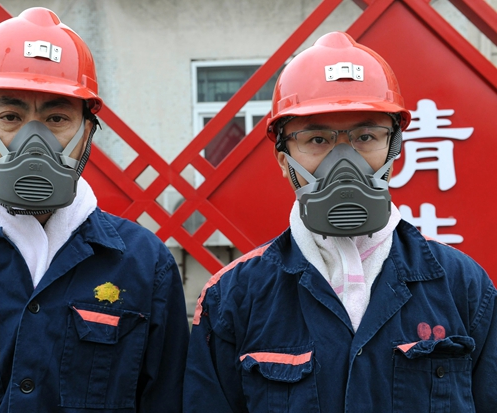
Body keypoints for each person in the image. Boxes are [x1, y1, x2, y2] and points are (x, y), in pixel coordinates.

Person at [0, 8, 189, 412]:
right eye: (10, 117)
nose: (34, 141)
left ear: (87, 133)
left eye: (57, 118)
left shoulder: (145, 265)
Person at [183, 31, 497, 412]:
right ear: (284, 160)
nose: (344, 162)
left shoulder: (464, 287)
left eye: (366, 136)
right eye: (317, 139)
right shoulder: (232, 299)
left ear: (394, 148)